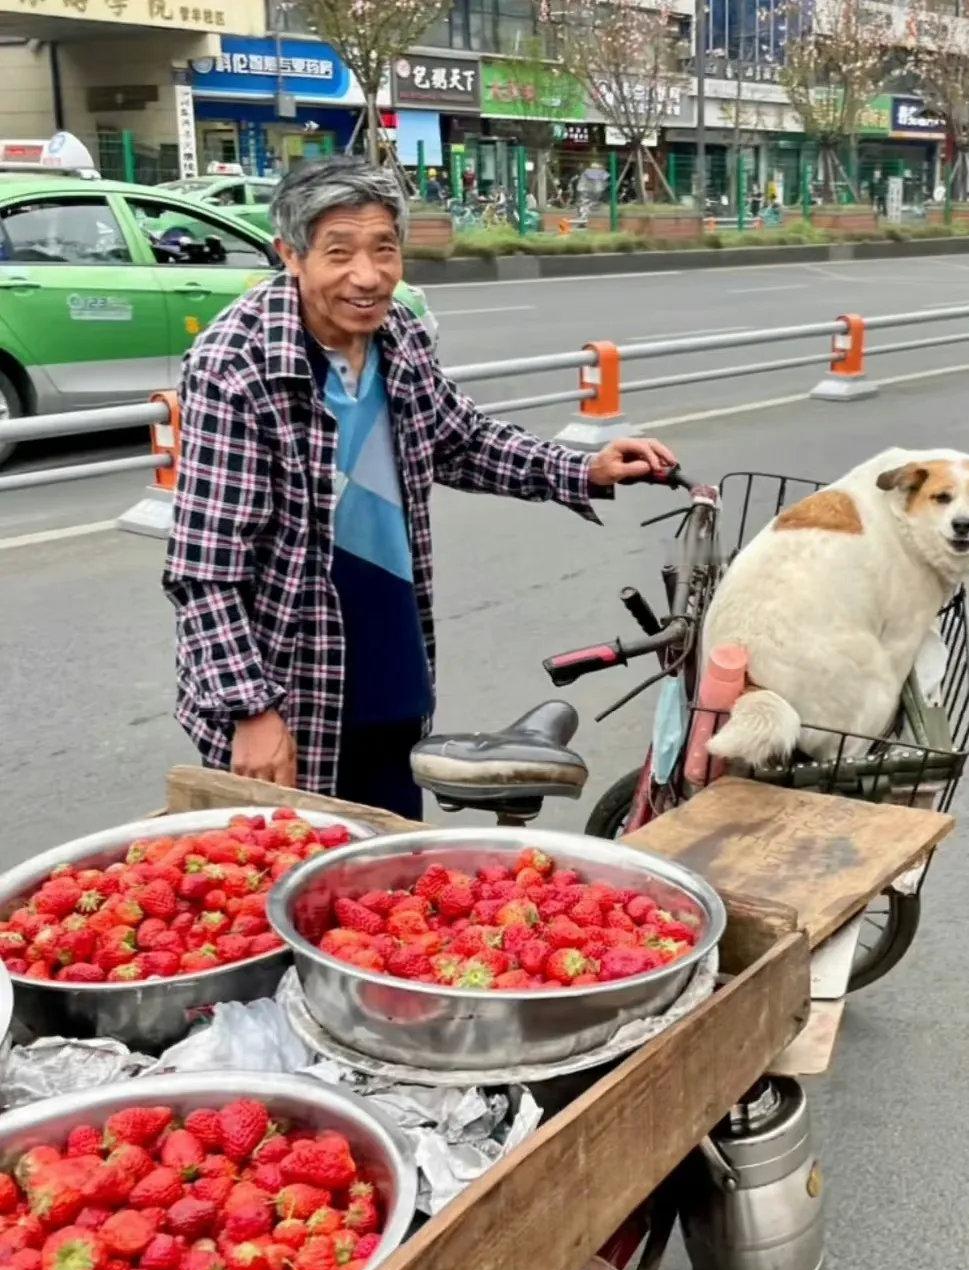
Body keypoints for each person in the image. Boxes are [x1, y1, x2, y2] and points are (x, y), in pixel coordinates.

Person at [162, 158, 676, 817]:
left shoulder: (396, 337)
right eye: (339, 253)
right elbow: (205, 568)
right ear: (290, 253)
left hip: (390, 655)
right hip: (286, 684)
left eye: (384, 249)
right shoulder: (237, 362)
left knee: (386, 875)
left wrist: (583, 468)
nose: (368, 276)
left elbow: (460, 439)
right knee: (286, 880)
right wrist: (249, 708)